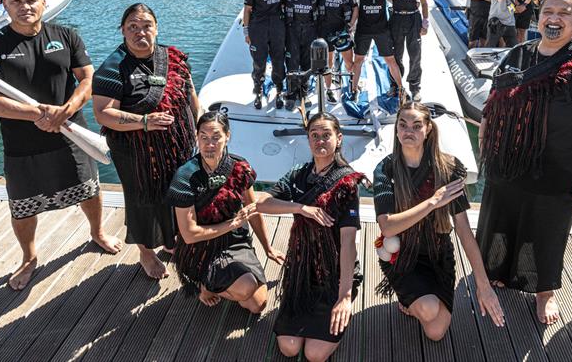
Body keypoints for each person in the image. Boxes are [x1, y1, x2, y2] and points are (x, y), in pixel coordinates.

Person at [477, 0, 572, 324]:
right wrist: (485, 145)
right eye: (548, 11)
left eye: (563, 13)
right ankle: (498, 274)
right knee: (499, 224)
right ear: (538, 16)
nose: (553, 19)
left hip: (556, 173)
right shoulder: (517, 54)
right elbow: (492, 103)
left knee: (545, 233)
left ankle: (544, 291)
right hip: (506, 168)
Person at [0, 0, 122, 290]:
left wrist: (65, 110)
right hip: (22, 144)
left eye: (30, 0)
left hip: (72, 133)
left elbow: (88, 79)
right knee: (23, 206)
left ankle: (97, 232)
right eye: (16, 1)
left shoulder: (66, 36)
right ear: (5, 4)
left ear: (43, 2)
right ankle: (29, 257)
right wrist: (39, 113)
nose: (24, 6)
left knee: (89, 189)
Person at [373, 102, 505, 341]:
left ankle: (417, 300)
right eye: (402, 125)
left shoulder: (448, 169)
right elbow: (387, 226)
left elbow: (464, 231)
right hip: (402, 254)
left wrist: (483, 285)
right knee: (429, 309)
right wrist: (433, 201)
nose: (408, 131)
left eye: (416, 126)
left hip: (437, 255)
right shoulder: (386, 169)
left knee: (436, 332)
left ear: (428, 130)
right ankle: (411, 298)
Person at [92, 3, 199, 279]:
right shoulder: (113, 67)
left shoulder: (172, 57)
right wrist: (144, 122)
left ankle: (170, 240)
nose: (140, 32)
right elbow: (103, 114)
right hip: (136, 153)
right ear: (122, 31)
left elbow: (190, 93)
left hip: (178, 146)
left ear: (156, 27)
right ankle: (146, 253)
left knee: (176, 194)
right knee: (143, 202)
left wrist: (198, 127)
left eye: (146, 25)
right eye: (133, 27)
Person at [256, 113, 366, 362]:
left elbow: (348, 242)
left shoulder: (347, 183)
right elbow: (261, 203)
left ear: (338, 139)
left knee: (315, 355)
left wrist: (345, 295)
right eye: (314, 136)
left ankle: (341, 305)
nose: (320, 141)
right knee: (289, 347)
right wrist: (299, 208)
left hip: (334, 274)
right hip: (302, 269)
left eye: (326, 135)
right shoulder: (298, 174)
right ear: (308, 141)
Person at [167, 111, 284, 310]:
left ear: (227, 136)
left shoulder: (239, 167)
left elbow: (252, 210)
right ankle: (204, 283)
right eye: (203, 137)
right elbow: (189, 234)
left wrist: (268, 247)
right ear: (197, 137)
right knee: (246, 288)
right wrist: (232, 224)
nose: (209, 144)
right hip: (200, 248)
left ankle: (220, 282)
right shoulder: (185, 176)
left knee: (257, 305)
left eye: (216, 137)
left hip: (233, 241)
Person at [350, 0, 403, 101]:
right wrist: (351, 25)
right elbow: (354, 8)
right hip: (363, 30)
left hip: (381, 30)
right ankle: (354, 89)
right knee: (358, 60)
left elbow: (396, 2)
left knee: (390, 60)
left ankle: (401, 88)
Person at [243, 0, 288, 110]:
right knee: (259, 62)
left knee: (278, 60)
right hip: (258, 27)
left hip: (277, 26)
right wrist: (246, 32)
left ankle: (280, 89)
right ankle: (258, 91)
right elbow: (247, 10)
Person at [385, 0, 428, 101]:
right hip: (396, 19)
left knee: (415, 54)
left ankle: (415, 87)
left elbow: (424, 3)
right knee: (396, 55)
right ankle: (395, 85)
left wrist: (425, 22)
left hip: (413, 20)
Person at [314, 0, 357, 104]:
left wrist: (351, 24)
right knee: (328, 63)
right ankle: (329, 89)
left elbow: (355, 7)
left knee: (349, 63)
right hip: (325, 31)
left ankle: (353, 86)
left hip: (342, 32)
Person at [283, 0, 318, 110]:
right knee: (292, 64)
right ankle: (291, 94)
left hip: (309, 32)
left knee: (306, 65)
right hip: (293, 31)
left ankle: (303, 93)